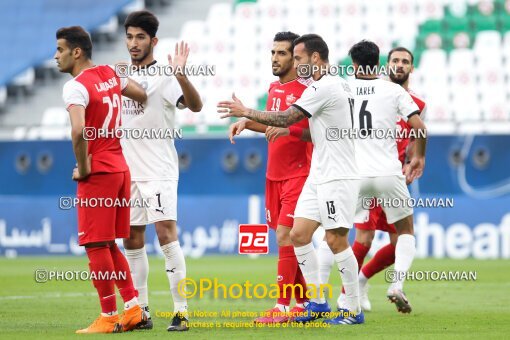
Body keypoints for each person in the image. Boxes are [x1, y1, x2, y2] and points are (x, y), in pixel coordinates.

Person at [219, 34, 364, 325]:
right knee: (297, 235)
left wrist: (246, 112)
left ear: (314, 58)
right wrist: (251, 122)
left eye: (298, 58)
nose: (295, 64)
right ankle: (318, 302)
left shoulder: (325, 86)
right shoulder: (326, 85)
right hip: (318, 173)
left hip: (338, 175)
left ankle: (353, 310)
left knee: (336, 240)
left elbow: (286, 119)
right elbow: (310, 131)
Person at [318, 47, 427, 313]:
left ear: (353, 64)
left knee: (332, 234)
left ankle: (320, 297)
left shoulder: (342, 87)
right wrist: (419, 159)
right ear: (382, 64)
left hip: (354, 174)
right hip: (390, 175)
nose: (400, 65)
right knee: (395, 234)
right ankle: (391, 284)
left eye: (405, 61)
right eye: (395, 61)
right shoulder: (396, 94)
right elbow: (421, 130)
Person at [56, 25, 148, 333]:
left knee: (95, 245)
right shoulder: (110, 73)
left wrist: (83, 167)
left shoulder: (75, 87)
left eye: (60, 50)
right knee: (110, 244)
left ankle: (108, 316)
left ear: (76, 52)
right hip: (121, 169)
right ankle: (133, 308)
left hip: (100, 174)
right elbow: (140, 93)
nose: (56, 57)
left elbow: (79, 130)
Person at [120, 10, 203, 332]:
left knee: (165, 234)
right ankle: (140, 311)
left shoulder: (166, 75)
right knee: (131, 238)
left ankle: (182, 311)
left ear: (153, 40)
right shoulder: (122, 76)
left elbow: (195, 106)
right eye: (129, 36)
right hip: (129, 172)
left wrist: (181, 74)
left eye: (140, 37)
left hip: (159, 170)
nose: (133, 43)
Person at [228, 31, 312, 323]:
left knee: (285, 235)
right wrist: (246, 122)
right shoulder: (274, 89)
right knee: (288, 239)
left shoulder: (308, 90)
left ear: (295, 57)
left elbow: (314, 131)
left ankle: (281, 307)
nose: (275, 58)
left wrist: (289, 129)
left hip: (298, 174)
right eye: (273, 53)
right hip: (273, 175)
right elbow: (273, 126)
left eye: (282, 53)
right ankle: (303, 304)